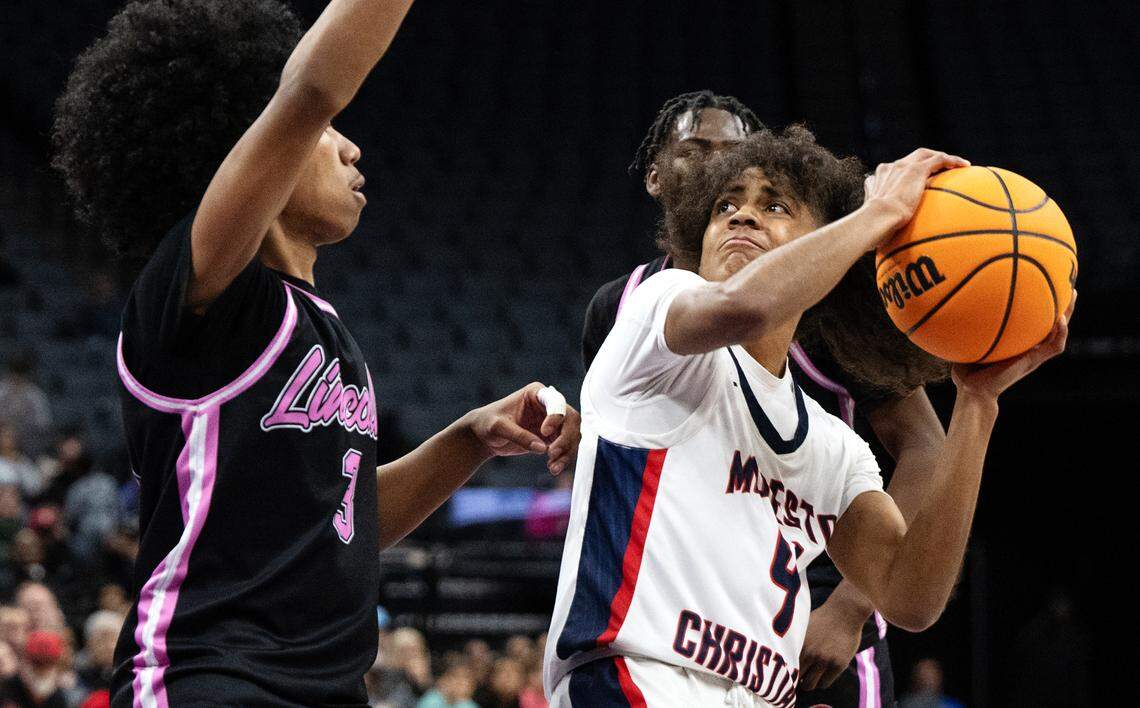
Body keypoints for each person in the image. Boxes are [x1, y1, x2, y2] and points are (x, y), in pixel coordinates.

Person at [51, 0, 579, 704]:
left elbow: (342, 526)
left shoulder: (320, 326)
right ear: (256, 150)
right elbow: (311, 87)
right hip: (208, 682)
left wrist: (468, 441)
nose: (350, 147)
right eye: (327, 131)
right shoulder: (203, 298)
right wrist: (305, 108)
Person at [544, 129, 1073, 706]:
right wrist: (883, 211)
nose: (742, 215)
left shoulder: (832, 448)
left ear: (829, 248)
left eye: (775, 205)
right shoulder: (658, 314)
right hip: (632, 680)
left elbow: (911, 599)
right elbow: (742, 305)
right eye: (727, 205)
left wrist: (978, 405)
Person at [581, 91, 948, 704]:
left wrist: (849, 609)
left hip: (816, 603)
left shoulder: (823, 315)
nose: (716, 167)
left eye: (742, 161)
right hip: (665, 637)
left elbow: (925, 455)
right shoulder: (636, 302)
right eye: (697, 154)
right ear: (654, 174)